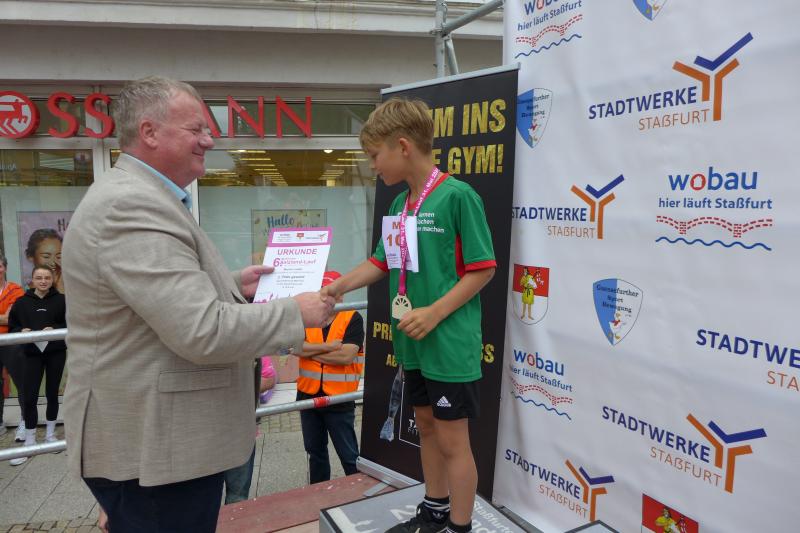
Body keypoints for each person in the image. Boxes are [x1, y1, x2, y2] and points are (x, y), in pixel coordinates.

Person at [61, 76, 334, 533]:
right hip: (156, 455)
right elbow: (202, 331)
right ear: (149, 132)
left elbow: (152, 301)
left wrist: (233, 285)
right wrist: (295, 313)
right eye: (197, 129)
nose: (209, 140)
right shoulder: (132, 205)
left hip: (162, 449)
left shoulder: (144, 197)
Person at [322, 98, 496, 533]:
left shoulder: (458, 197)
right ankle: (435, 509)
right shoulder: (400, 204)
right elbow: (382, 261)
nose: (372, 166)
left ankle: (459, 526)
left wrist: (435, 312)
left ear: (402, 146)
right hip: (413, 341)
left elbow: (483, 268)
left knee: (454, 440)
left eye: (374, 155)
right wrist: (338, 287)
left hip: (449, 343)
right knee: (425, 426)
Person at [296, 270, 364, 484]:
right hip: (308, 395)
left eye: (332, 293)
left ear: (341, 295)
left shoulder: (352, 317)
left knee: (349, 455)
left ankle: (357, 491)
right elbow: (295, 348)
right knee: (315, 453)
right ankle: (318, 493)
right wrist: (328, 347)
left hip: (339, 399)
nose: (327, 299)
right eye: (323, 293)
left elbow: (346, 356)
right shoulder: (306, 317)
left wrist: (310, 352)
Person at [7, 266, 67, 466]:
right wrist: (20, 331)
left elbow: (70, 323)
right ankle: (30, 442)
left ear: (52, 280)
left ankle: (50, 435)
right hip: (31, 354)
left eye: (47, 277)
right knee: (30, 396)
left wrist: (55, 328)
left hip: (55, 352)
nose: (43, 281)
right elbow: (12, 327)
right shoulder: (21, 302)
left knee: (52, 393)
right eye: (39, 277)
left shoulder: (62, 300)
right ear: (32, 280)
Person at [0, 252, 26, 440]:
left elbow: (12, 319)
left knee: (21, 382)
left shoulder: (16, 290)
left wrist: (7, 318)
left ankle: (26, 421)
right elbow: (5, 317)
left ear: (5, 268)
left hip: (11, 342)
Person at [25, 228, 64, 293]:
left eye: (59, 257)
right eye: (46, 256)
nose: (53, 263)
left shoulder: (71, 289)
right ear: (30, 256)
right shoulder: (20, 293)